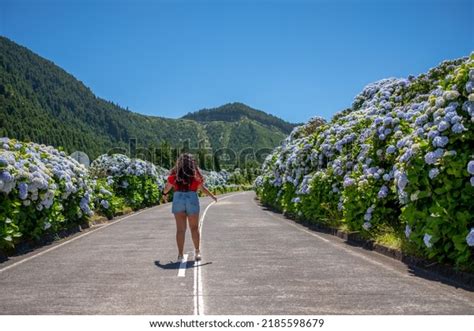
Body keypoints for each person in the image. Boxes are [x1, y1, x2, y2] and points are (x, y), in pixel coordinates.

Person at [162, 153, 217, 262]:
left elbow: (167, 188)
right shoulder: (195, 175)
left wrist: (164, 194)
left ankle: (180, 255)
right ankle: (197, 252)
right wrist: (212, 196)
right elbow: (202, 188)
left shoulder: (174, 175)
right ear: (192, 163)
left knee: (180, 230)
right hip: (192, 198)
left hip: (178, 199)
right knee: (194, 228)